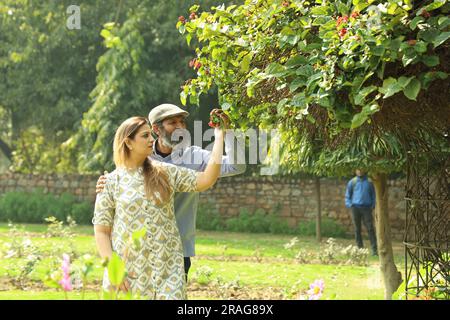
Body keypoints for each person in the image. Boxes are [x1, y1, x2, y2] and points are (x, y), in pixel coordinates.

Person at [96, 104, 246, 279]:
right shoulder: (141, 155)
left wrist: (225, 134)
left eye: (182, 122)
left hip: (178, 249)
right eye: (172, 123)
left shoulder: (194, 156)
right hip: (140, 248)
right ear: (157, 129)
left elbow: (236, 166)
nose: (180, 127)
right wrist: (105, 183)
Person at [345, 169, 378, 256]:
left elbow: (374, 195)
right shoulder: (352, 182)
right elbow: (348, 195)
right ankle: (360, 249)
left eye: (361, 169)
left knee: (370, 228)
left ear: (364, 170)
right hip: (355, 208)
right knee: (357, 229)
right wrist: (350, 205)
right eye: (358, 170)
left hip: (367, 208)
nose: (360, 171)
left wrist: (373, 205)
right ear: (355, 171)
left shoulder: (370, 182)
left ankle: (374, 250)